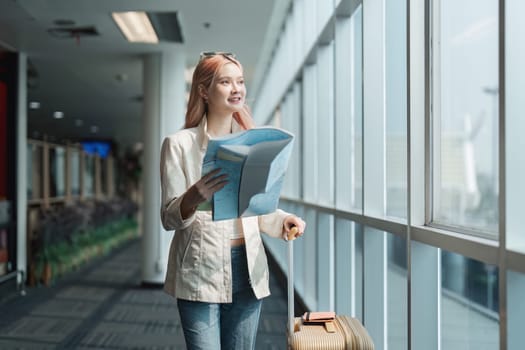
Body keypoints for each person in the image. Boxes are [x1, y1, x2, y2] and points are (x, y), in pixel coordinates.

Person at [159, 51, 306, 350]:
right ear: (203, 90)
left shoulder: (254, 142)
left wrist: (283, 220)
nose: (237, 88)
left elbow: (256, 207)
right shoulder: (179, 145)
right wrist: (192, 198)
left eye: (240, 81)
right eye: (225, 82)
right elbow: (168, 218)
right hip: (200, 269)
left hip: (248, 268)